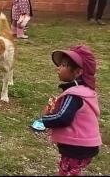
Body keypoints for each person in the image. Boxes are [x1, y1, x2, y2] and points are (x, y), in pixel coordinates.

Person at [42, 45, 101, 176]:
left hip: (77, 147)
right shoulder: (86, 91)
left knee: (67, 171)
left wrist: (45, 117)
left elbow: (62, 117)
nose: (58, 68)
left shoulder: (74, 95)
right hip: (86, 145)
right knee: (69, 170)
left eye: (63, 65)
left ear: (78, 72)